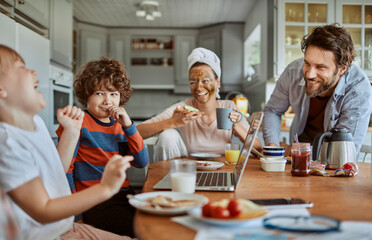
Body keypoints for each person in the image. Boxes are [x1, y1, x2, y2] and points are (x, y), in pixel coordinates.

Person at [0, 44, 134, 239]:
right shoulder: (8, 143)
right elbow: (43, 210)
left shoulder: (35, 123)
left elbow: (57, 171)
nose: (34, 71)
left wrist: (71, 131)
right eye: (22, 68)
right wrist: (105, 188)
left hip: (65, 227)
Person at [56, 57, 148, 237]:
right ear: (86, 95)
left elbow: (141, 161)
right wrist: (77, 215)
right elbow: (66, 171)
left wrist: (129, 126)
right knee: (137, 230)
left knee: (151, 222)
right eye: (99, 93)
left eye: (113, 94)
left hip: (122, 196)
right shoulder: (77, 123)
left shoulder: (122, 125)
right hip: (94, 200)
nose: (108, 101)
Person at [263, 23, 372, 156]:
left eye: (320, 67)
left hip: (332, 155)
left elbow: (344, 152)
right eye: (307, 63)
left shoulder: (358, 90)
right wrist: (272, 145)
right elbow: (273, 110)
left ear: (342, 69)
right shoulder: (293, 72)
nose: (309, 74)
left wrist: (293, 151)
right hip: (301, 143)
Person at [137, 47, 262, 162]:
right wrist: (173, 122)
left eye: (205, 81)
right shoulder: (183, 108)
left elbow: (258, 149)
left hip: (221, 169)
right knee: (168, 135)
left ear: (217, 82)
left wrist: (237, 128)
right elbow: (136, 132)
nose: (199, 88)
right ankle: (168, 183)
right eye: (193, 82)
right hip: (188, 170)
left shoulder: (229, 107)